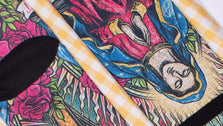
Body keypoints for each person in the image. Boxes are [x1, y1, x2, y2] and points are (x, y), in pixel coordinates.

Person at [65, 0, 206, 102]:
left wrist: (117, 28)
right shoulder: (175, 29)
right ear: (189, 65)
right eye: (185, 72)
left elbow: (87, 37)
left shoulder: (123, 67)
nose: (176, 74)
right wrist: (138, 11)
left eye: (177, 83)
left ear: (167, 87)